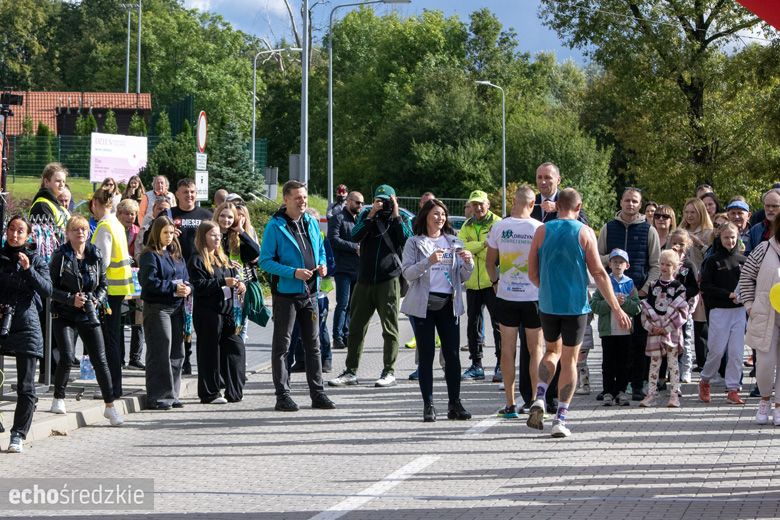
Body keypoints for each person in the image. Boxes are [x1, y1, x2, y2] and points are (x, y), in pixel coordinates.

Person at [528, 188, 631, 437]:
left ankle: (540, 396)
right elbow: (598, 272)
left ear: (557, 205)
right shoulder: (584, 232)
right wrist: (616, 308)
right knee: (570, 360)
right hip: (575, 305)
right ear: (579, 206)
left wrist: (547, 290)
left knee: (552, 351)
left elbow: (531, 272)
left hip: (548, 304)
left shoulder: (541, 231)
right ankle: (560, 419)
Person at [259, 180, 335, 412]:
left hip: (311, 293)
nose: (303, 201)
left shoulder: (311, 222)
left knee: (313, 345)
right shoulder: (275, 226)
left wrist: (322, 265)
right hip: (286, 295)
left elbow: (320, 250)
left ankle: (318, 393)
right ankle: (283, 395)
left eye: (304, 197)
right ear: (286, 199)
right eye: (298, 198)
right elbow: (265, 261)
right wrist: (293, 273)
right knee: (283, 345)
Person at [328, 184, 412, 388]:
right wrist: (371, 214)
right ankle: (350, 371)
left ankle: (388, 371)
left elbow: (407, 239)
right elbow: (355, 236)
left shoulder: (401, 217)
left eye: (386, 200)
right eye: (379, 200)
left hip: (389, 279)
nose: (382, 204)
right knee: (356, 327)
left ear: (394, 199)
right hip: (364, 279)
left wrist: (395, 213)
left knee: (389, 328)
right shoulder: (366, 214)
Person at [401, 198, 474, 422]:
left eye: (443, 214)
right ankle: (429, 405)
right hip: (423, 306)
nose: (440, 218)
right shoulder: (414, 242)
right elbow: (408, 274)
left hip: (448, 305)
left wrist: (469, 263)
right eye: (435, 214)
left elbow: (462, 277)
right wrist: (429, 261)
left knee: (452, 355)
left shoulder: (453, 241)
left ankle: (455, 403)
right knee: (426, 355)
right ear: (425, 216)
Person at [48, 215, 123, 425]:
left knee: (100, 359)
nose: (80, 233)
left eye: (83, 230)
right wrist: (70, 299)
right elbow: (50, 288)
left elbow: (103, 284)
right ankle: (59, 397)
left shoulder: (95, 254)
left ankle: (110, 407)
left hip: (89, 311)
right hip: (64, 312)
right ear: (68, 234)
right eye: (75, 230)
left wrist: (96, 300)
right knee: (67, 355)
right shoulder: (60, 256)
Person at [484, 185, 543, 418]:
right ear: (532, 204)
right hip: (533, 297)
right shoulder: (539, 228)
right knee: (535, 350)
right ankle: (537, 402)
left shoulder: (499, 226)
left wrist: (496, 283)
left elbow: (490, 263)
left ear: (514, 202)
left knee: (507, 350)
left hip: (506, 296)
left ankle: (509, 405)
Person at [597, 187, 661, 401]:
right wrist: (613, 260)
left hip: (637, 295)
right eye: (627, 200)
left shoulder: (648, 230)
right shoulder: (609, 227)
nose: (630, 204)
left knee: (637, 344)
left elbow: (656, 265)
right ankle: (611, 388)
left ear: (640, 204)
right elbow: (598, 259)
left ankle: (635, 386)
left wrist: (644, 289)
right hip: (611, 296)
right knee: (612, 346)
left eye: (634, 201)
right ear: (621, 202)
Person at [0, 216, 53, 453]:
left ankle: (18, 434)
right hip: (1, 319)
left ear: (29, 235)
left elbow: (47, 289)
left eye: (20, 231)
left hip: (26, 322)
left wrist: (28, 269)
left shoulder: (35, 259)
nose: (14, 235)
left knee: (25, 384)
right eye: (11, 229)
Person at [188, 221, 247, 404]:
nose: (217, 238)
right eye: (212, 234)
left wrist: (240, 284)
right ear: (203, 236)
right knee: (209, 352)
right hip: (208, 312)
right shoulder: (197, 259)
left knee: (236, 347)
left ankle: (234, 390)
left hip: (228, 310)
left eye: (218, 235)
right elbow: (199, 286)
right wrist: (223, 283)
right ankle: (210, 393)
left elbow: (234, 278)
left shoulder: (224, 258)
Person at [139, 216, 191, 410]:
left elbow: (186, 278)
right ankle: (158, 397)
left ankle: (172, 394)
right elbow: (149, 282)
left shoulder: (176, 255)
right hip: (158, 307)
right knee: (161, 350)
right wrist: (172, 287)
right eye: (165, 233)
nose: (169, 237)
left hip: (178, 307)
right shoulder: (149, 255)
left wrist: (188, 289)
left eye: (171, 233)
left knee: (177, 352)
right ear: (157, 233)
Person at [90, 189, 134, 400]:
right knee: (113, 339)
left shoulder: (105, 226)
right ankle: (114, 386)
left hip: (107, 292)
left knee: (109, 341)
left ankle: (111, 387)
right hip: (118, 290)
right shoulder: (116, 224)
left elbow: (101, 262)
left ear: (97, 203)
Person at [698, 223, 747, 405]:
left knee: (736, 353)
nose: (730, 240)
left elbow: (750, 285)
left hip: (739, 311)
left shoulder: (743, 260)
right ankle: (705, 380)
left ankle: (733, 389)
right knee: (717, 351)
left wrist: (742, 297)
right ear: (720, 238)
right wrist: (728, 295)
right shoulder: (712, 261)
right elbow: (705, 286)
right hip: (719, 311)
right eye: (726, 237)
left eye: (733, 237)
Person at [739, 216, 780, 425]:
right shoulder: (764, 249)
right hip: (766, 315)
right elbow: (746, 277)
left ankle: (779, 406)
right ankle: (764, 398)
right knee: (765, 363)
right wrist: (749, 305)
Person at [458, 189, 502, 382]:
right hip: (472, 283)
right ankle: (476, 365)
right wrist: (484, 245)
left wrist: (474, 247)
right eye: (473, 204)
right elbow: (461, 249)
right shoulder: (467, 225)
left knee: (498, 325)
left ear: (488, 204)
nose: (477, 207)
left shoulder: (498, 223)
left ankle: (501, 364)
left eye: (480, 203)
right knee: (473, 325)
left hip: (493, 282)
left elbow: (497, 252)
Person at [171, 178, 213, 375]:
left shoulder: (206, 215)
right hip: (178, 274)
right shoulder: (170, 214)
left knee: (201, 321)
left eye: (192, 192)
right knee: (182, 322)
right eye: (185, 192)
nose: (189, 195)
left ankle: (204, 361)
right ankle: (184, 360)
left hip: (201, 275)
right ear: (177, 194)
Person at [639, 250, 690, 408]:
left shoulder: (679, 287)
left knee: (673, 363)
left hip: (671, 331)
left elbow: (682, 311)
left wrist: (667, 327)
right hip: (655, 329)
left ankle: (674, 394)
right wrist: (651, 326)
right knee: (654, 363)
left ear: (675, 267)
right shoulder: (653, 285)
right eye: (662, 264)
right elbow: (647, 308)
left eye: (668, 264)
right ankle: (651, 394)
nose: (664, 267)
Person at [591, 249, 641, 406]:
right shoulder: (604, 282)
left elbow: (637, 307)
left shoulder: (630, 284)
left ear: (627, 265)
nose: (618, 265)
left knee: (624, 363)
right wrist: (611, 303)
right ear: (609, 264)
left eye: (621, 262)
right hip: (608, 331)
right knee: (608, 363)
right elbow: (595, 306)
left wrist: (624, 302)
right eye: (614, 261)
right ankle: (607, 392)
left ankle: (621, 391)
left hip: (625, 331)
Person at [680, 197, 714, 373]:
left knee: (701, 327)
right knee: (684, 326)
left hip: (702, 283)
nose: (689, 216)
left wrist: (698, 243)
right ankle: (685, 363)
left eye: (693, 212)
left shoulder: (708, 232)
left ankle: (704, 363)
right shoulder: (680, 231)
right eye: (686, 212)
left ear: (701, 213)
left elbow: (712, 255)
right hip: (683, 284)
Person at [328, 191, 363, 351]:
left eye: (362, 203)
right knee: (342, 304)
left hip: (357, 268)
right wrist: (354, 247)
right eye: (357, 202)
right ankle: (337, 337)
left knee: (352, 305)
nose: (360, 206)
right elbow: (333, 239)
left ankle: (347, 334)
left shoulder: (359, 220)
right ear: (348, 201)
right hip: (343, 269)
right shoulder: (338, 217)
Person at [667, 228, 700, 383]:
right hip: (666, 310)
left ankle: (685, 370)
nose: (677, 246)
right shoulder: (665, 261)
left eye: (681, 244)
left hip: (683, 309)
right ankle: (670, 370)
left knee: (685, 340)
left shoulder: (688, 265)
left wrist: (683, 293)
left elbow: (695, 287)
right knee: (669, 340)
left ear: (686, 246)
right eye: (674, 243)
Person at [116, 199, 145, 370]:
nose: (129, 216)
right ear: (119, 214)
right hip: (119, 280)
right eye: (126, 213)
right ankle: (119, 357)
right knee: (120, 318)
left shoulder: (138, 231)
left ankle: (135, 357)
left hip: (136, 279)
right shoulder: (115, 230)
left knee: (138, 318)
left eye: (132, 214)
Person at [30, 163, 70, 228]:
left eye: (63, 181)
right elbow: (47, 236)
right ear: (46, 182)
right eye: (58, 181)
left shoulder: (60, 207)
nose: (62, 184)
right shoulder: (42, 206)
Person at [746, 188, 780, 255]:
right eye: (767, 206)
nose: (770, 209)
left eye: (774, 206)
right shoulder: (756, 229)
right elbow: (748, 255)